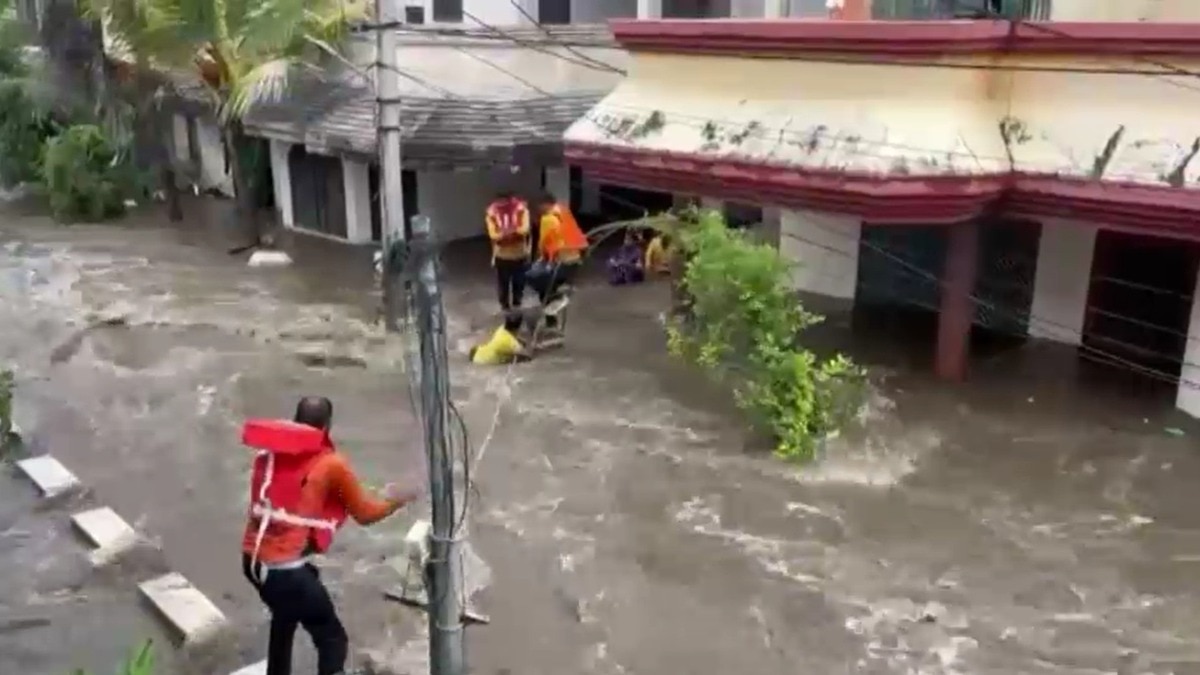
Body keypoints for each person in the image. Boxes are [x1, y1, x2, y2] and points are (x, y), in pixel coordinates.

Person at [241, 397, 421, 675]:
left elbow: (293, 497)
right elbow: (366, 514)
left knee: (284, 617)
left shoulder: (266, 456)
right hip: (284, 571)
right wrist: (399, 499)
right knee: (332, 639)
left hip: (252, 562)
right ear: (327, 427)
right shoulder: (332, 465)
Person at [529, 192, 588, 326]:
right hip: (574, 261)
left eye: (538, 207)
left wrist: (539, 259)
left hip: (561, 261)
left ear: (544, 204)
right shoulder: (564, 211)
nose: (538, 210)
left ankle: (557, 302)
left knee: (533, 277)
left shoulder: (547, 218)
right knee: (547, 285)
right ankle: (553, 311)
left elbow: (543, 243)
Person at [485, 191, 531, 312]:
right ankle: (505, 306)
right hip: (502, 256)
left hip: (519, 254)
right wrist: (512, 232)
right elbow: (493, 235)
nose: (502, 206)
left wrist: (506, 233)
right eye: (499, 203)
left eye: (505, 202)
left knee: (519, 282)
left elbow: (524, 230)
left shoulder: (522, 210)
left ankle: (517, 304)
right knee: (503, 284)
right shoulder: (492, 213)